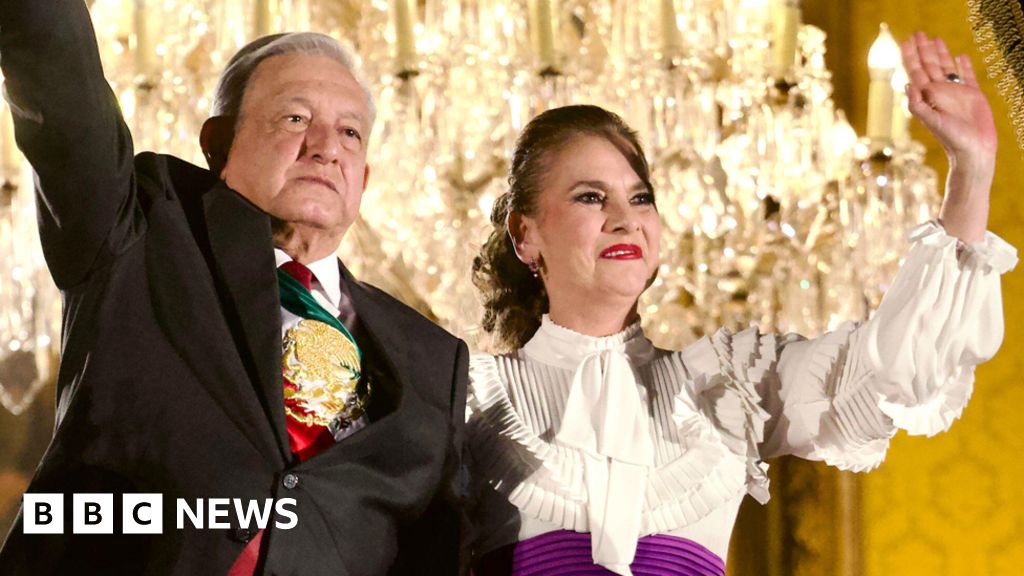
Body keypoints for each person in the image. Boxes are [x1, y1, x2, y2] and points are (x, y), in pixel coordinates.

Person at [465, 32, 1017, 576]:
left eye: (641, 198)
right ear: (525, 234)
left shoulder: (729, 383)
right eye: (590, 196)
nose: (625, 217)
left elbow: (888, 370)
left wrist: (971, 168)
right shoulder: (465, 398)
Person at [0, 2, 467, 575]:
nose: (327, 146)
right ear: (220, 145)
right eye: (295, 118)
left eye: (351, 131)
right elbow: (60, 89)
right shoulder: (140, 231)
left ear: (364, 177)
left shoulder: (432, 357)